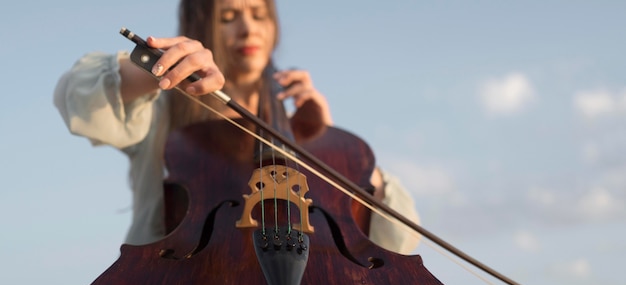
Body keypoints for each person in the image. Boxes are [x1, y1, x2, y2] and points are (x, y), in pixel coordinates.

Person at [54, 0, 421, 254]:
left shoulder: (291, 126)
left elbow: (398, 240)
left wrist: (335, 148)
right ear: (200, 26)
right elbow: (75, 93)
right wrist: (157, 71)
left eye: (260, 15)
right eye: (228, 17)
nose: (248, 30)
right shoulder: (161, 106)